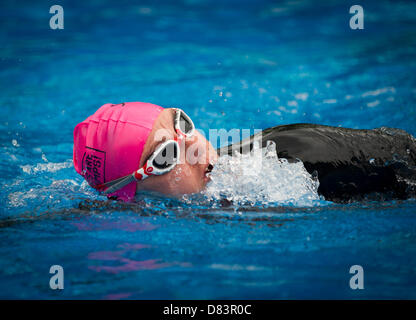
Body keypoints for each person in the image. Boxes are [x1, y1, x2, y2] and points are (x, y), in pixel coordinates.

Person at [73, 102, 416, 203]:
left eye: (184, 124)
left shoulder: (295, 160)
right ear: (130, 196)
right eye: (166, 155)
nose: (195, 145)